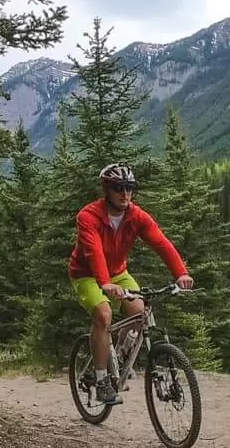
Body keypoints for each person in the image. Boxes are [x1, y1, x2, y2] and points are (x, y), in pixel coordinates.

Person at [69, 162, 194, 405]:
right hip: (86, 275)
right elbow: (93, 252)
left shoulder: (137, 216)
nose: (125, 193)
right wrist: (104, 284)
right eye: (119, 188)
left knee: (140, 312)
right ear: (107, 190)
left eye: (129, 188)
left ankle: (120, 357)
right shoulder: (88, 217)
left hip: (118, 273)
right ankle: (102, 379)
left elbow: (161, 243)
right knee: (103, 316)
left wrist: (181, 273)